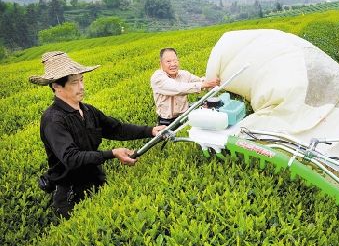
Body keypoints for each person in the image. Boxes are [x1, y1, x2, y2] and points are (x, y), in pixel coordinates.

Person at [30, 51, 166, 218]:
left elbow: (116, 129)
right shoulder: (53, 120)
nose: (81, 86)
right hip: (70, 192)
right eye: (74, 82)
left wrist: (150, 130)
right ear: (56, 87)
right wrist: (113, 153)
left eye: (81, 80)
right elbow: (71, 158)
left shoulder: (87, 110)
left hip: (96, 180)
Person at [150, 47, 220, 125]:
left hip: (184, 117)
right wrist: (204, 84)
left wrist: (212, 81)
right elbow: (178, 88)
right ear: (161, 63)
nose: (173, 64)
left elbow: (200, 81)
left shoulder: (184, 74)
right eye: (168, 61)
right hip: (166, 122)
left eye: (175, 60)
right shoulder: (157, 77)